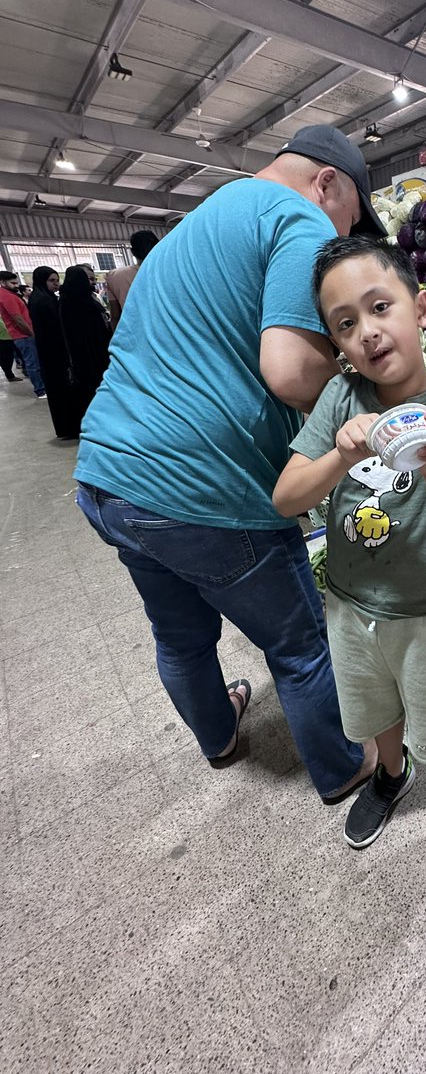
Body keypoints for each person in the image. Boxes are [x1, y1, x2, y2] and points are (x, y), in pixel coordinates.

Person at [74, 125, 386, 802]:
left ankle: (219, 737)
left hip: (108, 476)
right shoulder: (300, 218)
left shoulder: (198, 222)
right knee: (300, 644)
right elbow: (289, 371)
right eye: (352, 221)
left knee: (180, 634)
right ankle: (343, 769)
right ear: (325, 184)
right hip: (201, 487)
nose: (347, 241)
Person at [273, 237, 426, 907]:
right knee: (375, 710)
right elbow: (287, 498)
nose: (367, 331)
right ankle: (391, 774)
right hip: (348, 607)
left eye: (380, 307)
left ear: (420, 307)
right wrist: (339, 458)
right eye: (345, 323)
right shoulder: (342, 401)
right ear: (337, 342)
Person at [29, 266, 83, 438]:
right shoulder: (42, 301)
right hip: (54, 353)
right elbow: (55, 327)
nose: (56, 284)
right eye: (51, 281)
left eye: (57, 280)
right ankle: (69, 427)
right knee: (61, 389)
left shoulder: (44, 297)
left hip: (51, 351)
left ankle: (67, 427)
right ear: (42, 281)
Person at [59, 265, 111, 428]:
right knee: (93, 385)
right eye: (87, 279)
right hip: (91, 351)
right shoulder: (80, 301)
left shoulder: (68, 300)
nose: (92, 282)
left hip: (83, 352)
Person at [0, 271, 45, 397]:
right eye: (13, 283)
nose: (16, 285)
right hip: (23, 335)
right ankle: (40, 390)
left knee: (33, 361)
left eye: (16, 282)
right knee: (32, 362)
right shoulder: (7, 297)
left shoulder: (9, 294)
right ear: (3, 282)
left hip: (23, 334)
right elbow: (17, 318)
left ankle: (41, 387)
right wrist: (30, 333)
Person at [106, 230, 159, 329]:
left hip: (135, 334)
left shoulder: (115, 276)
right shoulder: (171, 271)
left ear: (132, 251)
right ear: (158, 247)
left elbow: (115, 317)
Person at [0, 312, 23, 382]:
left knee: (9, 358)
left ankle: (10, 375)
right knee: (5, 359)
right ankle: (9, 375)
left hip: (9, 339)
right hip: (2, 340)